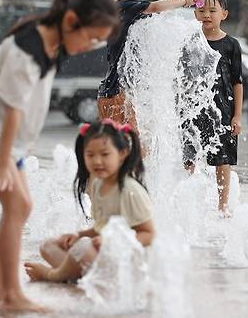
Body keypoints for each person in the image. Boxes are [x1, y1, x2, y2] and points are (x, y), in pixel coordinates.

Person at [0, 0, 119, 312]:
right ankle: (10, 295)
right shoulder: (27, 53)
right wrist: (3, 163)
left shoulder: (50, 39)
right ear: (71, 20)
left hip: (5, 138)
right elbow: (11, 107)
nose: (89, 47)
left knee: (21, 207)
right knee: (16, 208)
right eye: (90, 38)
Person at [24, 119, 154, 283]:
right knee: (49, 245)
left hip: (126, 263)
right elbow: (101, 227)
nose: (97, 161)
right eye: (90, 155)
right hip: (101, 257)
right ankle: (78, 275)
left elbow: (149, 234)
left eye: (105, 154)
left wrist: (111, 242)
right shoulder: (98, 184)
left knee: (84, 248)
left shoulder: (130, 191)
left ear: (122, 153)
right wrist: (79, 234)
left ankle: (54, 275)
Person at [89, 0, 203, 129]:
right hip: (118, 94)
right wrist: (187, 1)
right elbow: (156, 7)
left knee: (128, 149)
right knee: (133, 150)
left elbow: (160, 10)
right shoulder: (123, 6)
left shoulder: (119, 10)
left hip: (111, 92)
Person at [184, 0, 243, 216]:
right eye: (201, 11)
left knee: (222, 159)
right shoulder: (190, 43)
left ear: (224, 14)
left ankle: (223, 204)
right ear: (195, 14)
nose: (206, 15)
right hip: (192, 110)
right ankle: (191, 204)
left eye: (212, 11)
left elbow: (237, 82)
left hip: (223, 110)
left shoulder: (231, 45)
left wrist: (237, 116)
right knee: (190, 158)